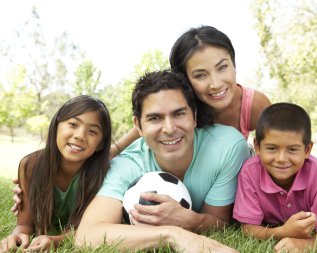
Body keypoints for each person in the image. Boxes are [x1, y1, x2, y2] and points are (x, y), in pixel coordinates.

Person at [109, 25, 317, 222]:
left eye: (222, 67)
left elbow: (287, 141)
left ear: (234, 64)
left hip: (241, 179)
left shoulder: (253, 104)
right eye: (200, 75)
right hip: (211, 184)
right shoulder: (179, 111)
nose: (216, 84)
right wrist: (109, 154)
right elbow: (141, 131)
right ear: (184, 79)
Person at [74, 70, 250, 252]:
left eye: (179, 114)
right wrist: (171, 235)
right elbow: (86, 235)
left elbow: (220, 222)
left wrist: (191, 220)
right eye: (155, 118)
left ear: (194, 117)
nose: (169, 128)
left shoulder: (227, 147)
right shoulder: (127, 165)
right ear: (138, 126)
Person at [0, 95, 112, 253]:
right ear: (56, 125)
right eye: (73, 124)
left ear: (100, 143)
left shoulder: (104, 175)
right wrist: (18, 236)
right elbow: (24, 224)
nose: (80, 135)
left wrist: (56, 240)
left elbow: (95, 230)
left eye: (92, 131)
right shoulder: (31, 166)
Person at [233, 102, 317, 252]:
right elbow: (248, 229)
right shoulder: (250, 172)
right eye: (272, 148)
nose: (281, 158)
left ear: (307, 150)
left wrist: (306, 244)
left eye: (292, 149)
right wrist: (283, 232)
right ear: (257, 147)